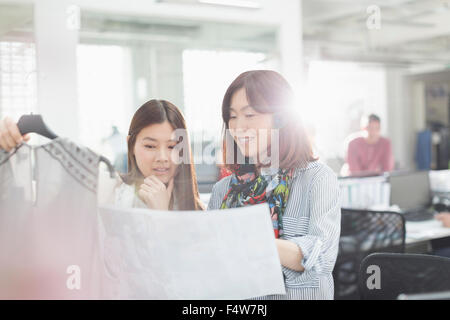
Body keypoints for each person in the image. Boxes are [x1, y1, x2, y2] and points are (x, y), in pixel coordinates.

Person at [207, 70, 341, 300]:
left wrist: (251, 239)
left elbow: (320, 258)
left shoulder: (317, 179)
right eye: (232, 117)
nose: (238, 127)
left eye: (250, 115)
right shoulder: (223, 190)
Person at [0, 99, 204, 211]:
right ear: (130, 145)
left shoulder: (197, 211)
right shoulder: (108, 189)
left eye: (172, 147)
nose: (162, 157)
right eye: (150, 146)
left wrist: (161, 216)